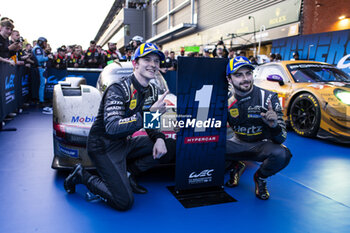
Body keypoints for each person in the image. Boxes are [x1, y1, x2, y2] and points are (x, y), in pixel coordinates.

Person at [64, 43, 176, 211]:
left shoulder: (151, 90)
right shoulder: (118, 89)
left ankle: (129, 173)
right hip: (103, 146)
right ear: (135, 64)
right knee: (124, 202)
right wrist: (150, 113)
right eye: (147, 59)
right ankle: (82, 175)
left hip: (124, 143)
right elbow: (112, 127)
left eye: (156, 61)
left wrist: (159, 138)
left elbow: (150, 124)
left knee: (170, 145)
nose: (153, 64)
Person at [225, 56, 292, 200]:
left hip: (261, 145)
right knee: (207, 147)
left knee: (283, 154)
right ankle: (235, 166)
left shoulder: (268, 97)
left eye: (248, 73)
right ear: (229, 79)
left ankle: (260, 177)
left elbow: (282, 138)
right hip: (236, 143)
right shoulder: (224, 99)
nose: (245, 79)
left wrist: (274, 126)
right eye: (238, 75)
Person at [32, 37, 52, 110]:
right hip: (40, 68)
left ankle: (41, 100)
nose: (45, 44)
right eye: (44, 43)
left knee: (41, 85)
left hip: (40, 68)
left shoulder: (38, 48)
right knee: (42, 85)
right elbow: (40, 59)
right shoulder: (37, 49)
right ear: (41, 42)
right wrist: (48, 57)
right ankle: (41, 101)